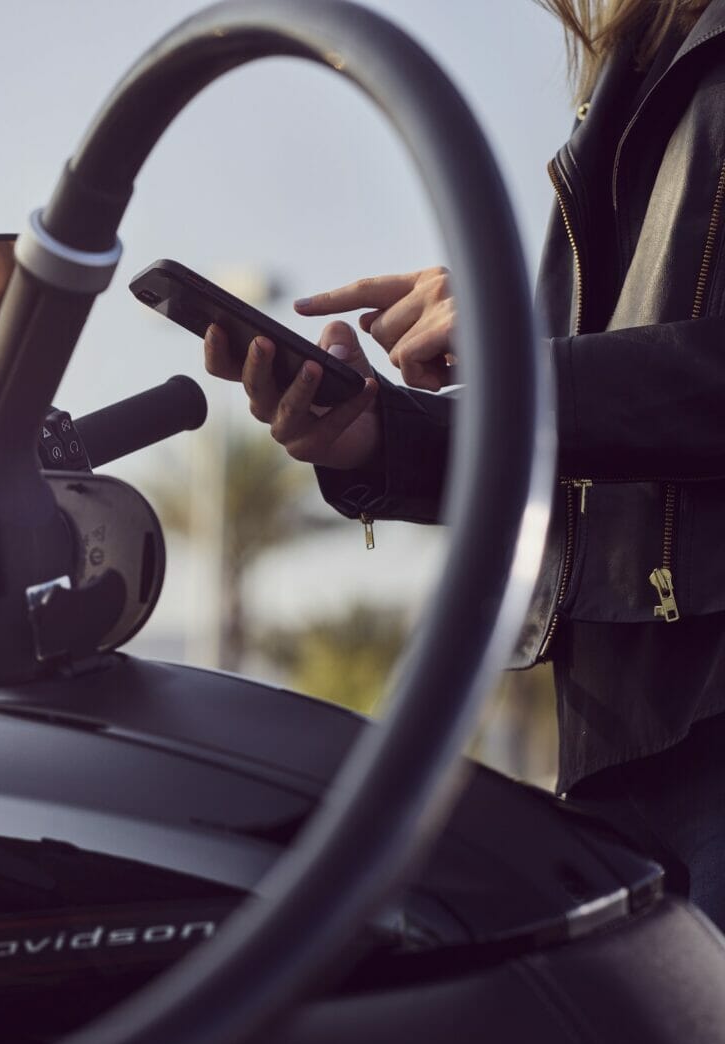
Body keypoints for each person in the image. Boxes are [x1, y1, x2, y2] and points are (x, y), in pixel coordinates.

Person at [204, 0, 725, 926]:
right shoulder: (626, 74)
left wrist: (516, 360)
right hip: (614, 736)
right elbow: (588, 421)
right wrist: (379, 435)